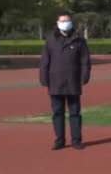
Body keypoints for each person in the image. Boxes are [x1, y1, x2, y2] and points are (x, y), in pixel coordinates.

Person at [38, 11, 91, 151]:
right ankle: (59, 140)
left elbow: (85, 61)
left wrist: (85, 76)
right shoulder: (50, 40)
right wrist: (43, 78)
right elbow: (44, 61)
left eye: (67, 20)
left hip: (73, 81)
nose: (64, 23)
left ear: (71, 23)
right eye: (62, 21)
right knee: (57, 112)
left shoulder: (79, 40)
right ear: (57, 23)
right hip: (55, 82)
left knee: (75, 113)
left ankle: (76, 140)